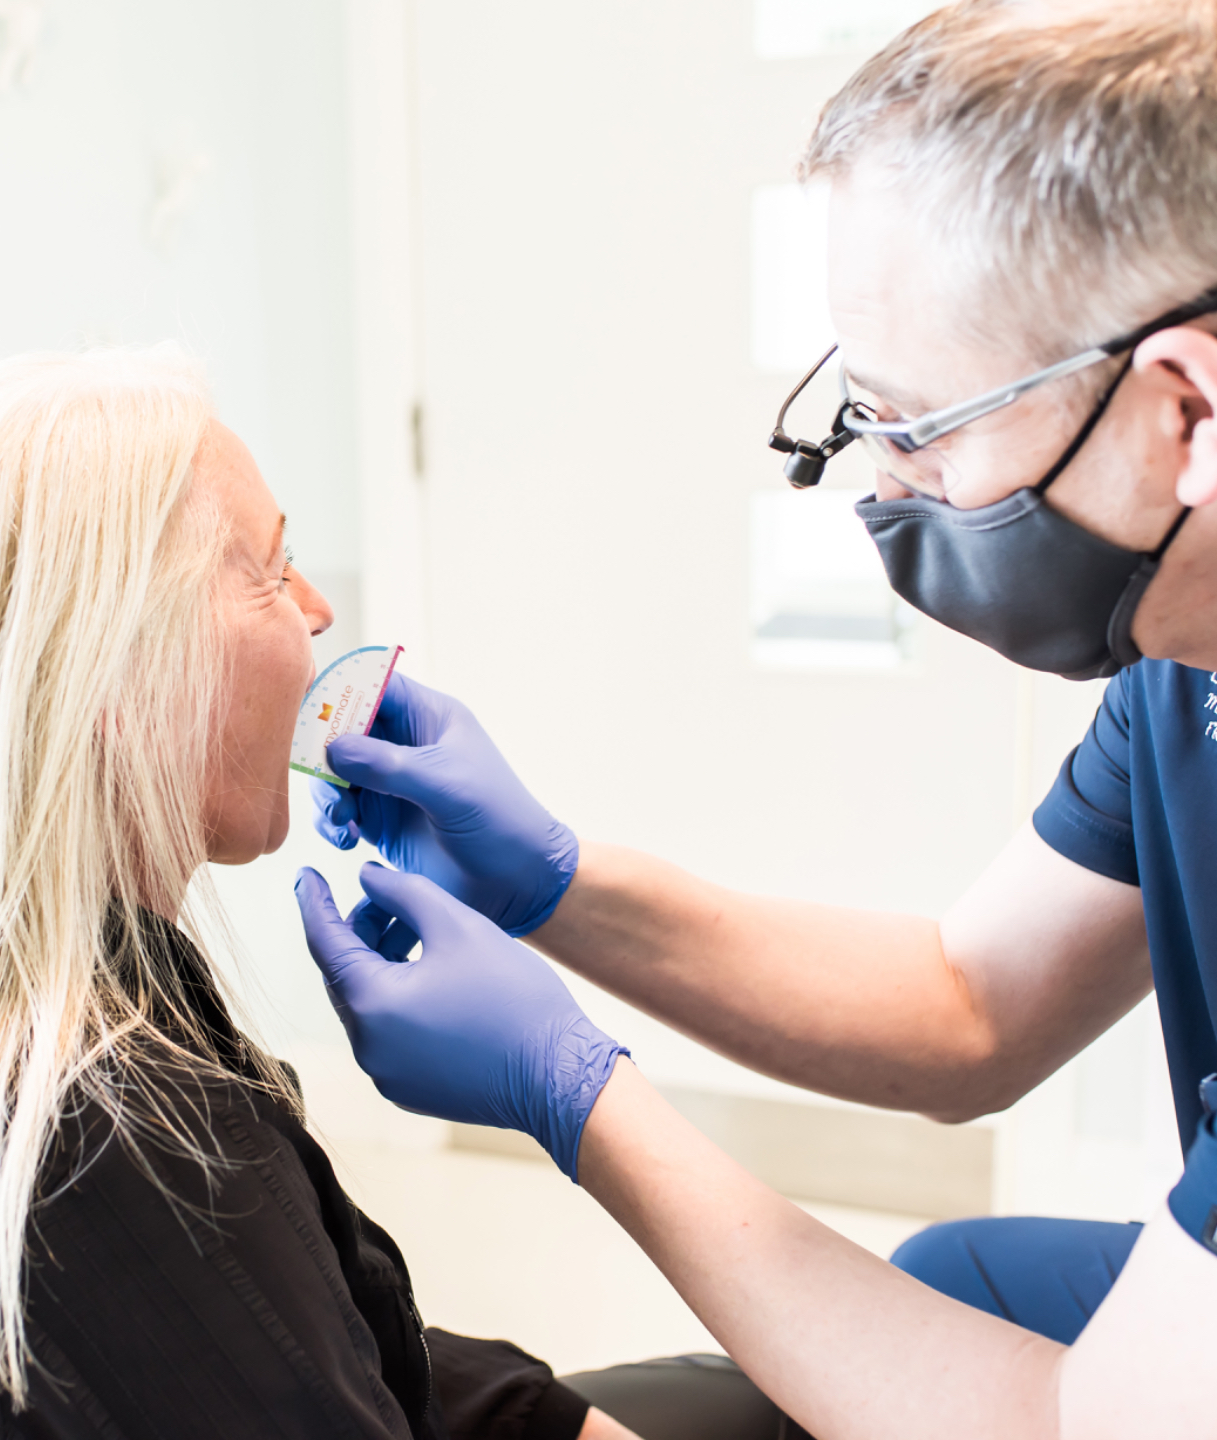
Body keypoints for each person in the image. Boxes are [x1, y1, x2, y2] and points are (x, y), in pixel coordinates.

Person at [294, 2, 1217, 1435]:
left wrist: (577, 1097)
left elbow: (1061, 1428)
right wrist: (554, 885)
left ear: (1185, 414)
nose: (883, 487)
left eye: (917, 424)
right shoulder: (1183, 663)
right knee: (950, 1281)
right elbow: (973, 1006)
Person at [0, 347, 638, 1440]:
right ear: (113, 676)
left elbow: (318, 1335)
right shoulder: (118, 1149)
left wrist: (548, 1420)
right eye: (274, 574)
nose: (318, 611)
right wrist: (571, 1087)